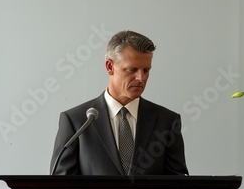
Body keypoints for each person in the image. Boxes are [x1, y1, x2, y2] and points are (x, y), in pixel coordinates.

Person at [50, 30, 189, 175]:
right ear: (110, 67)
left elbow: (178, 186)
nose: (141, 78)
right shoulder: (76, 121)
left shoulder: (167, 121)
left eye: (146, 70)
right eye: (132, 69)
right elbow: (62, 188)